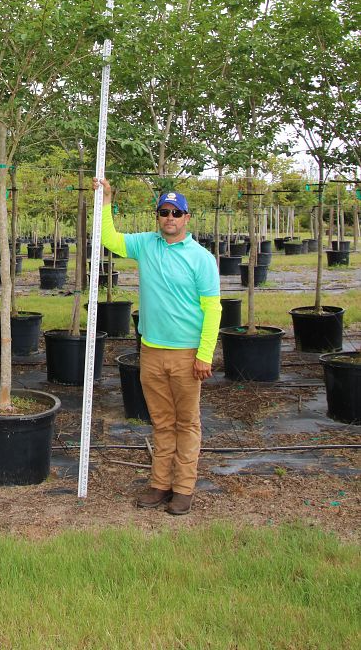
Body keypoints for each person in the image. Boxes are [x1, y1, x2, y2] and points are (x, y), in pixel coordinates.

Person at [92, 179, 221, 515]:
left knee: (187, 423)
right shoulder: (146, 245)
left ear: (187, 217)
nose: (170, 218)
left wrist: (205, 354)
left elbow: (213, 309)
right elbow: (110, 239)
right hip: (150, 351)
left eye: (176, 213)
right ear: (158, 216)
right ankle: (160, 484)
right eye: (164, 212)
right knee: (161, 422)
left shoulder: (201, 259)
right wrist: (106, 200)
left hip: (187, 355)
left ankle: (183, 488)